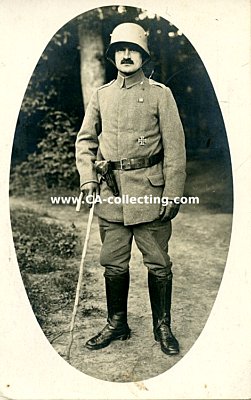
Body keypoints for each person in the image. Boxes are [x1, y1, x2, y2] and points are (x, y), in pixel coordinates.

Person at [75, 22, 186, 356]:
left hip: (150, 193)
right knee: (113, 262)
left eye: (132, 49)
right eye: (119, 50)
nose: (126, 55)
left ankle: (162, 326)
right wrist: (88, 178)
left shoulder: (160, 94)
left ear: (142, 54)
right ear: (112, 56)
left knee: (158, 263)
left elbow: (175, 149)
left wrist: (173, 192)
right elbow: (85, 141)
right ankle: (116, 323)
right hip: (110, 195)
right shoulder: (101, 95)